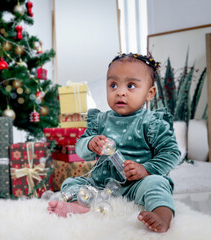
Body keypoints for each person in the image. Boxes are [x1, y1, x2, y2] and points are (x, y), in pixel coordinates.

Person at [48, 53, 181, 233]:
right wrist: (89, 144)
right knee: (70, 182)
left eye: (131, 85)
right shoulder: (99, 121)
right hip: (100, 184)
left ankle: (161, 214)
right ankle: (78, 207)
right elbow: (80, 149)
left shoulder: (151, 123)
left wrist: (146, 169)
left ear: (150, 93)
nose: (120, 91)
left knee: (157, 183)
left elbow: (171, 153)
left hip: (137, 184)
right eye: (113, 85)